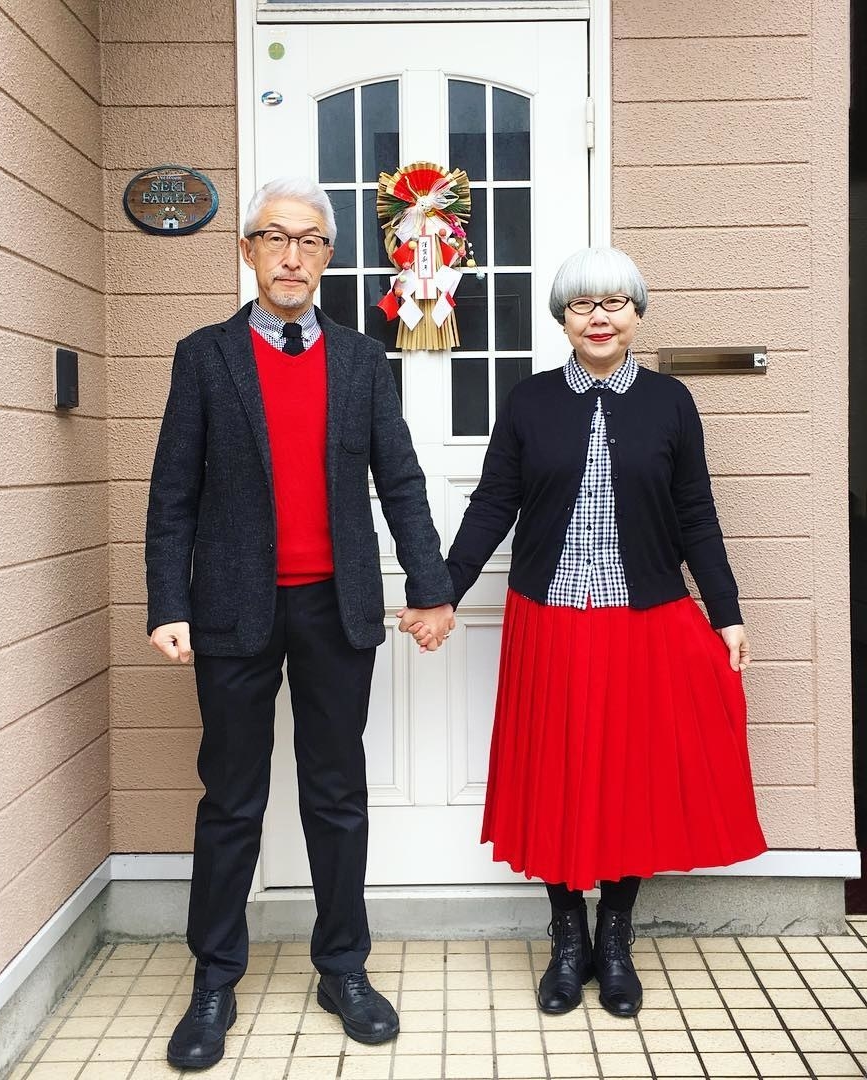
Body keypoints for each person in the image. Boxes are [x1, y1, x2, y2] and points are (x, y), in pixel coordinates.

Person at [399, 247, 767, 1018]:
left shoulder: (670, 403)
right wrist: (442, 592)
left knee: (630, 776)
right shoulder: (530, 401)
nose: (598, 317)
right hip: (551, 620)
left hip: (645, 619)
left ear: (636, 312)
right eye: (581, 305)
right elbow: (493, 504)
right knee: (559, 773)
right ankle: (567, 939)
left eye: (614, 303)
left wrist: (725, 611)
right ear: (562, 319)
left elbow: (697, 513)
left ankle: (615, 940)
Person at [145, 176, 456, 1069]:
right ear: (246, 251)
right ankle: (213, 979)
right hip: (233, 612)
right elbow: (174, 493)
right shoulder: (203, 356)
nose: (292, 255)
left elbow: (399, 479)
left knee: (335, 795)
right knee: (232, 800)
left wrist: (430, 588)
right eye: (275, 238)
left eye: (311, 240)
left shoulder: (360, 359)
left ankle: (342, 968)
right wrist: (169, 602)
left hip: (336, 605)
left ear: (327, 256)